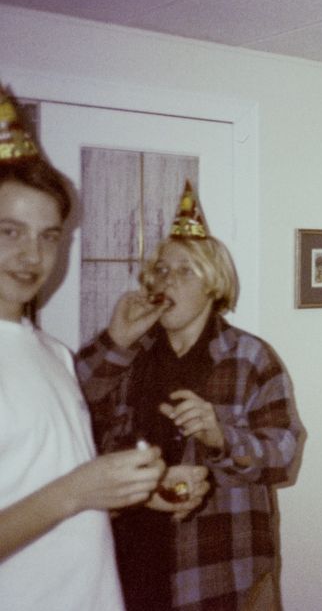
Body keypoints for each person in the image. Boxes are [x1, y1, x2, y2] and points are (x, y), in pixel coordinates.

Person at [76, 181, 305, 610]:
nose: (168, 281)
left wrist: (222, 437)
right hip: (127, 553)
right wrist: (115, 340)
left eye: (185, 271)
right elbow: (66, 406)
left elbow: (285, 458)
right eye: (161, 270)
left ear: (213, 285)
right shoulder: (129, 352)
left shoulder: (250, 357)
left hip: (216, 564)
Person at [0, 84, 173, 611]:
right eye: (9, 231)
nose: (33, 255)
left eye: (50, 236)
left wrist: (123, 495)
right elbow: (65, 493)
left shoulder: (51, 352)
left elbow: (47, 495)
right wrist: (79, 489)